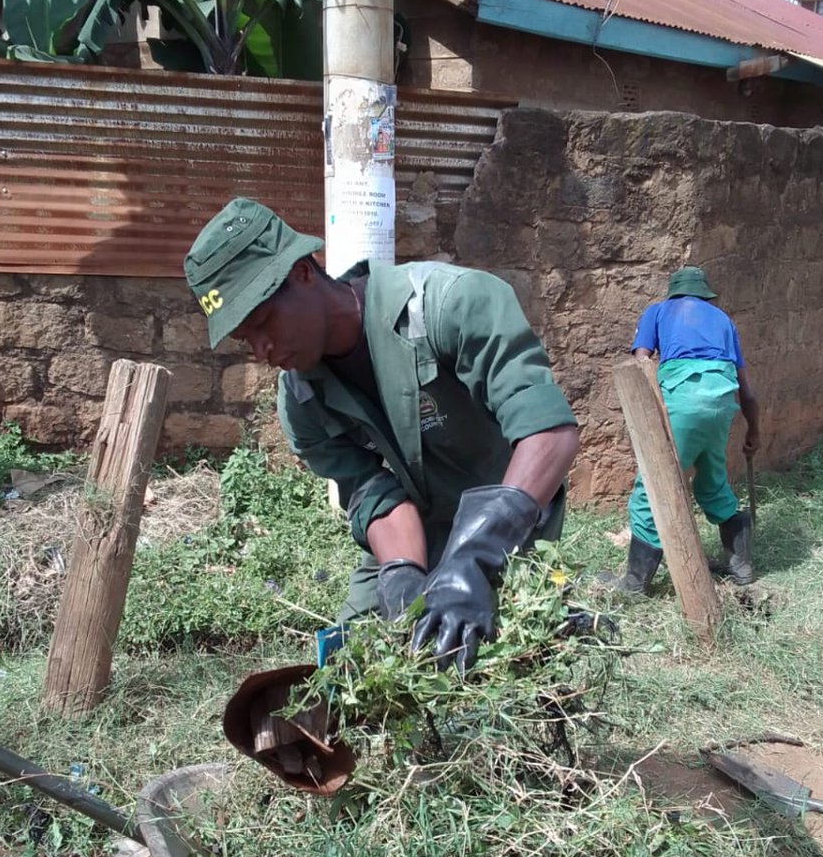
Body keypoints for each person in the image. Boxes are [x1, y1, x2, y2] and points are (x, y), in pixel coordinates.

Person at [185, 197, 579, 672]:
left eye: (263, 322)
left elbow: (548, 433)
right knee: (351, 667)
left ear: (303, 273)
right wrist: (403, 578)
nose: (262, 350)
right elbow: (373, 494)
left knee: (498, 665)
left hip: (509, 517)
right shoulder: (301, 402)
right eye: (245, 339)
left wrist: (472, 559)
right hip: (418, 528)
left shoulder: (452, 304)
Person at [601, 266, 760, 594]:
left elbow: (640, 362)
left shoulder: (657, 311)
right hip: (722, 402)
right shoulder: (723, 320)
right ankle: (740, 564)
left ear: (673, 291)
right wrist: (753, 430)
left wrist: (650, 418)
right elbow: (747, 391)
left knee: (652, 486)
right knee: (712, 480)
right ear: (705, 294)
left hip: (683, 399)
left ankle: (634, 583)